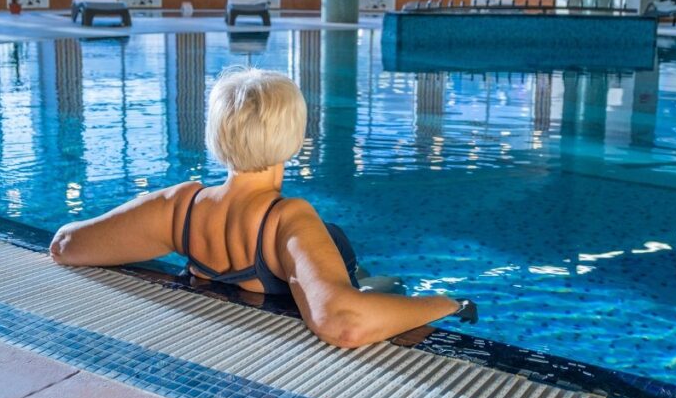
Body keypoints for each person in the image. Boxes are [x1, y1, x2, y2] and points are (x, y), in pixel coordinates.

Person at [50, 68, 476, 348]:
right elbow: (345, 322)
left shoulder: (181, 206)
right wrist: (450, 303)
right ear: (294, 137)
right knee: (389, 283)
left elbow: (66, 244)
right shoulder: (287, 220)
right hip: (342, 290)